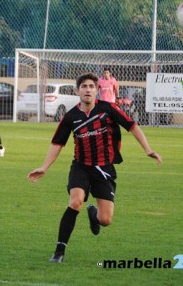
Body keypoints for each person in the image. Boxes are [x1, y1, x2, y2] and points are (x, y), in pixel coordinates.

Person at [27, 72, 162, 263]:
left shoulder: (108, 109)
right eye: (84, 86)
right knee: (75, 202)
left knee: (105, 220)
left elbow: (132, 126)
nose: (88, 89)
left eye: (91, 86)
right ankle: (59, 251)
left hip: (104, 169)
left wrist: (148, 149)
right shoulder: (71, 116)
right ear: (78, 91)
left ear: (97, 90)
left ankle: (93, 214)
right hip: (81, 167)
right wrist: (44, 167)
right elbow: (57, 143)